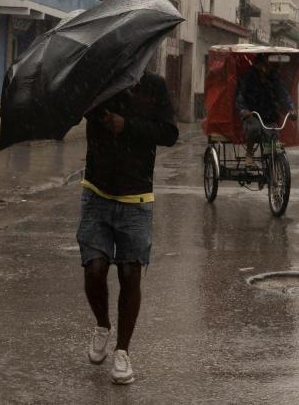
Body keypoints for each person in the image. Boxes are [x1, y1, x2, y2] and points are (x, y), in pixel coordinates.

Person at [77, 69, 178, 385]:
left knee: (130, 273)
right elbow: (84, 114)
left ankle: (123, 351)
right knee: (94, 268)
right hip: (97, 192)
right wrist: (99, 110)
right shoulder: (99, 81)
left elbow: (169, 133)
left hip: (136, 196)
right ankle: (103, 325)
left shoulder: (154, 86)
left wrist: (127, 125)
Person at [235, 55, 295, 166]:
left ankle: (271, 162)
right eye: (265, 65)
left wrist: (291, 109)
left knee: (274, 136)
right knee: (254, 128)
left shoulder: (274, 78)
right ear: (259, 65)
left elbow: (284, 95)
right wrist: (244, 110)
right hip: (252, 115)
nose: (267, 68)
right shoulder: (249, 77)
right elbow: (240, 96)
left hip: (269, 115)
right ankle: (249, 153)